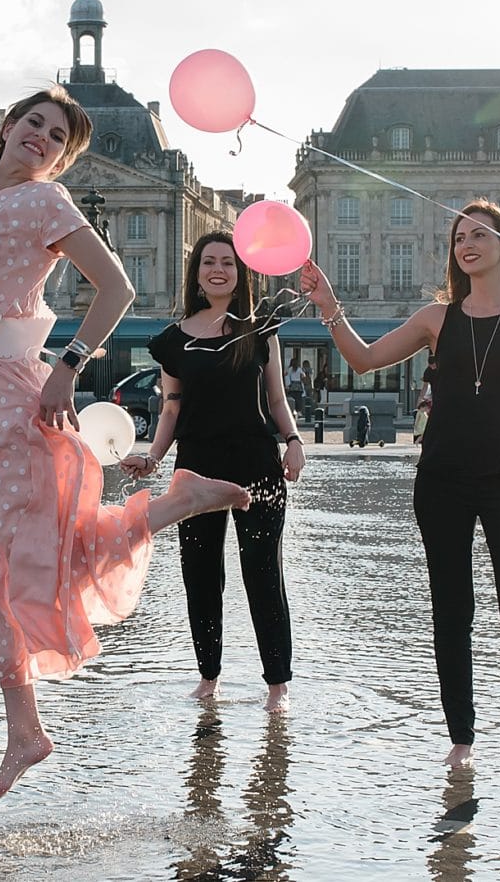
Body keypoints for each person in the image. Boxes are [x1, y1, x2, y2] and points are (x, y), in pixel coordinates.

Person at [0, 0, 249, 806]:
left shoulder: (47, 203)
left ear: (63, 156)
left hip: (7, 391)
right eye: (32, 121)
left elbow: (119, 289)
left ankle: (173, 504)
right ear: (10, 129)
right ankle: (24, 728)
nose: (39, 136)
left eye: (55, 134)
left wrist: (68, 364)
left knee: (27, 559)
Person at [301, 199, 500, 777]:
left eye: (481, 234)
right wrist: (330, 308)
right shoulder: (437, 318)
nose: (467, 244)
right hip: (442, 482)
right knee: (451, 611)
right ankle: (461, 738)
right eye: (459, 237)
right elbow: (365, 359)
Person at [121, 231, 304, 714]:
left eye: (227, 262)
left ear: (241, 272)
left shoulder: (260, 327)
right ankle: (209, 677)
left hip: (257, 468)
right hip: (195, 474)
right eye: (208, 262)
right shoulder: (174, 338)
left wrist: (294, 442)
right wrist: (153, 458)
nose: (218, 269)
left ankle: (277, 686)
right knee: (200, 576)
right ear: (196, 273)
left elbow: (276, 398)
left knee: (263, 573)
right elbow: (170, 408)